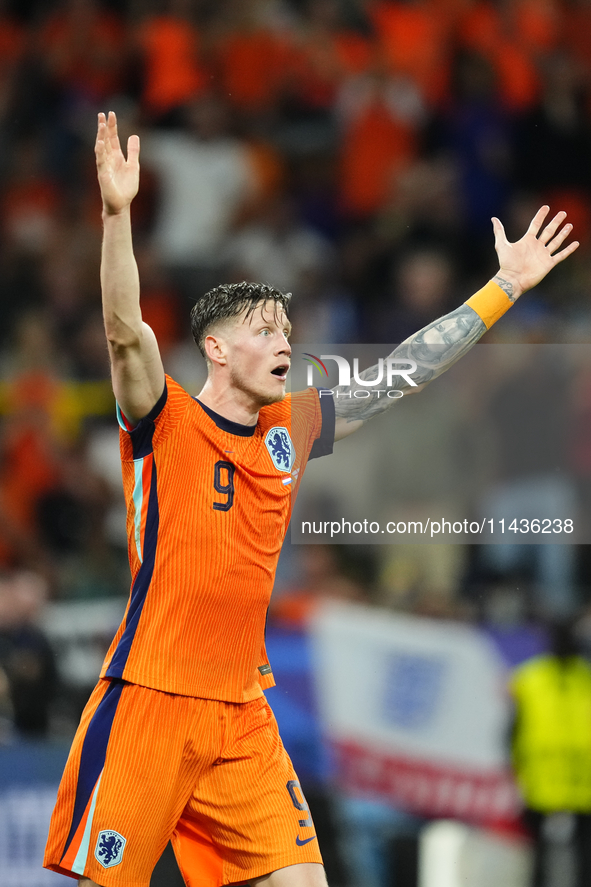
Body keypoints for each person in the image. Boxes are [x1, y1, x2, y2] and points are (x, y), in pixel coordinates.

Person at [43, 110, 578, 887]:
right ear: (217, 348)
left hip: (241, 712)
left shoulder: (294, 422)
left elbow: (403, 371)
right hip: (149, 697)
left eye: (289, 328)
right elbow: (125, 331)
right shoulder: (164, 420)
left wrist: (500, 289)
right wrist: (118, 215)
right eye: (265, 330)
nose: (286, 341)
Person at [510, 620, 591, 887]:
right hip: (543, 780)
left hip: (576, 782)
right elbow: (512, 729)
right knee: (538, 854)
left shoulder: (534, 678)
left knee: (582, 856)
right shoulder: (529, 679)